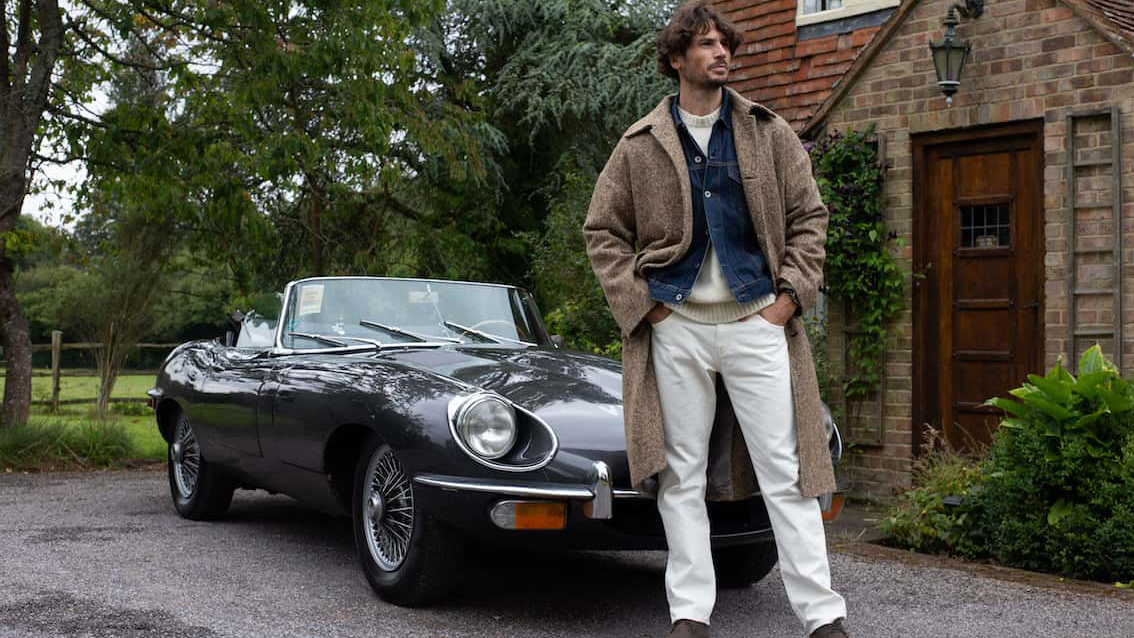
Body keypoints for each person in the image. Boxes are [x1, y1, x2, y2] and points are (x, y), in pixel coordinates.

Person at [583, 2, 849, 637]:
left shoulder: (766, 130)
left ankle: (822, 617)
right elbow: (602, 232)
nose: (721, 54)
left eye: (724, 44)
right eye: (705, 45)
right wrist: (644, 306)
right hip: (675, 327)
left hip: (757, 320)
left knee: (786, 472)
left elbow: (810, 217)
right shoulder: (639, 145)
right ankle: (690, 614)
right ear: (676, 60)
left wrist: (789, 298)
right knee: (681, 476)